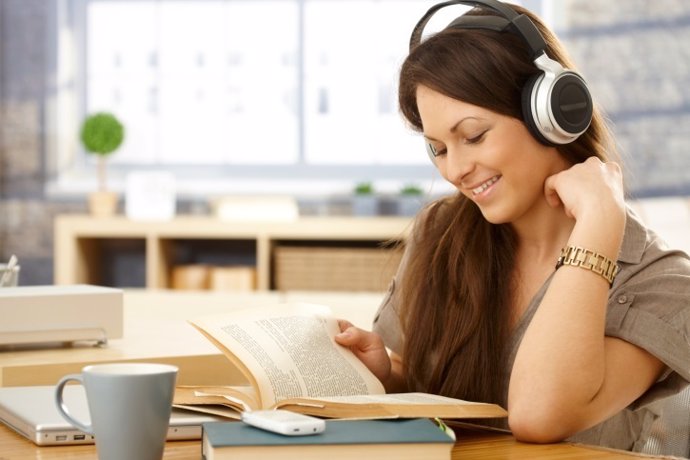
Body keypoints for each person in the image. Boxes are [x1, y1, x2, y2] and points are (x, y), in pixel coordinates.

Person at [335, 0, 690, 455]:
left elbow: (538, 414)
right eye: (438, 148)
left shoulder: (660, 285)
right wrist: (388, 371)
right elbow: (427, 381)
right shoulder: (440, 232)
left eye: (474, 136)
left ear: (554, 114)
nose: (455, 170)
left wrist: (599, 225)